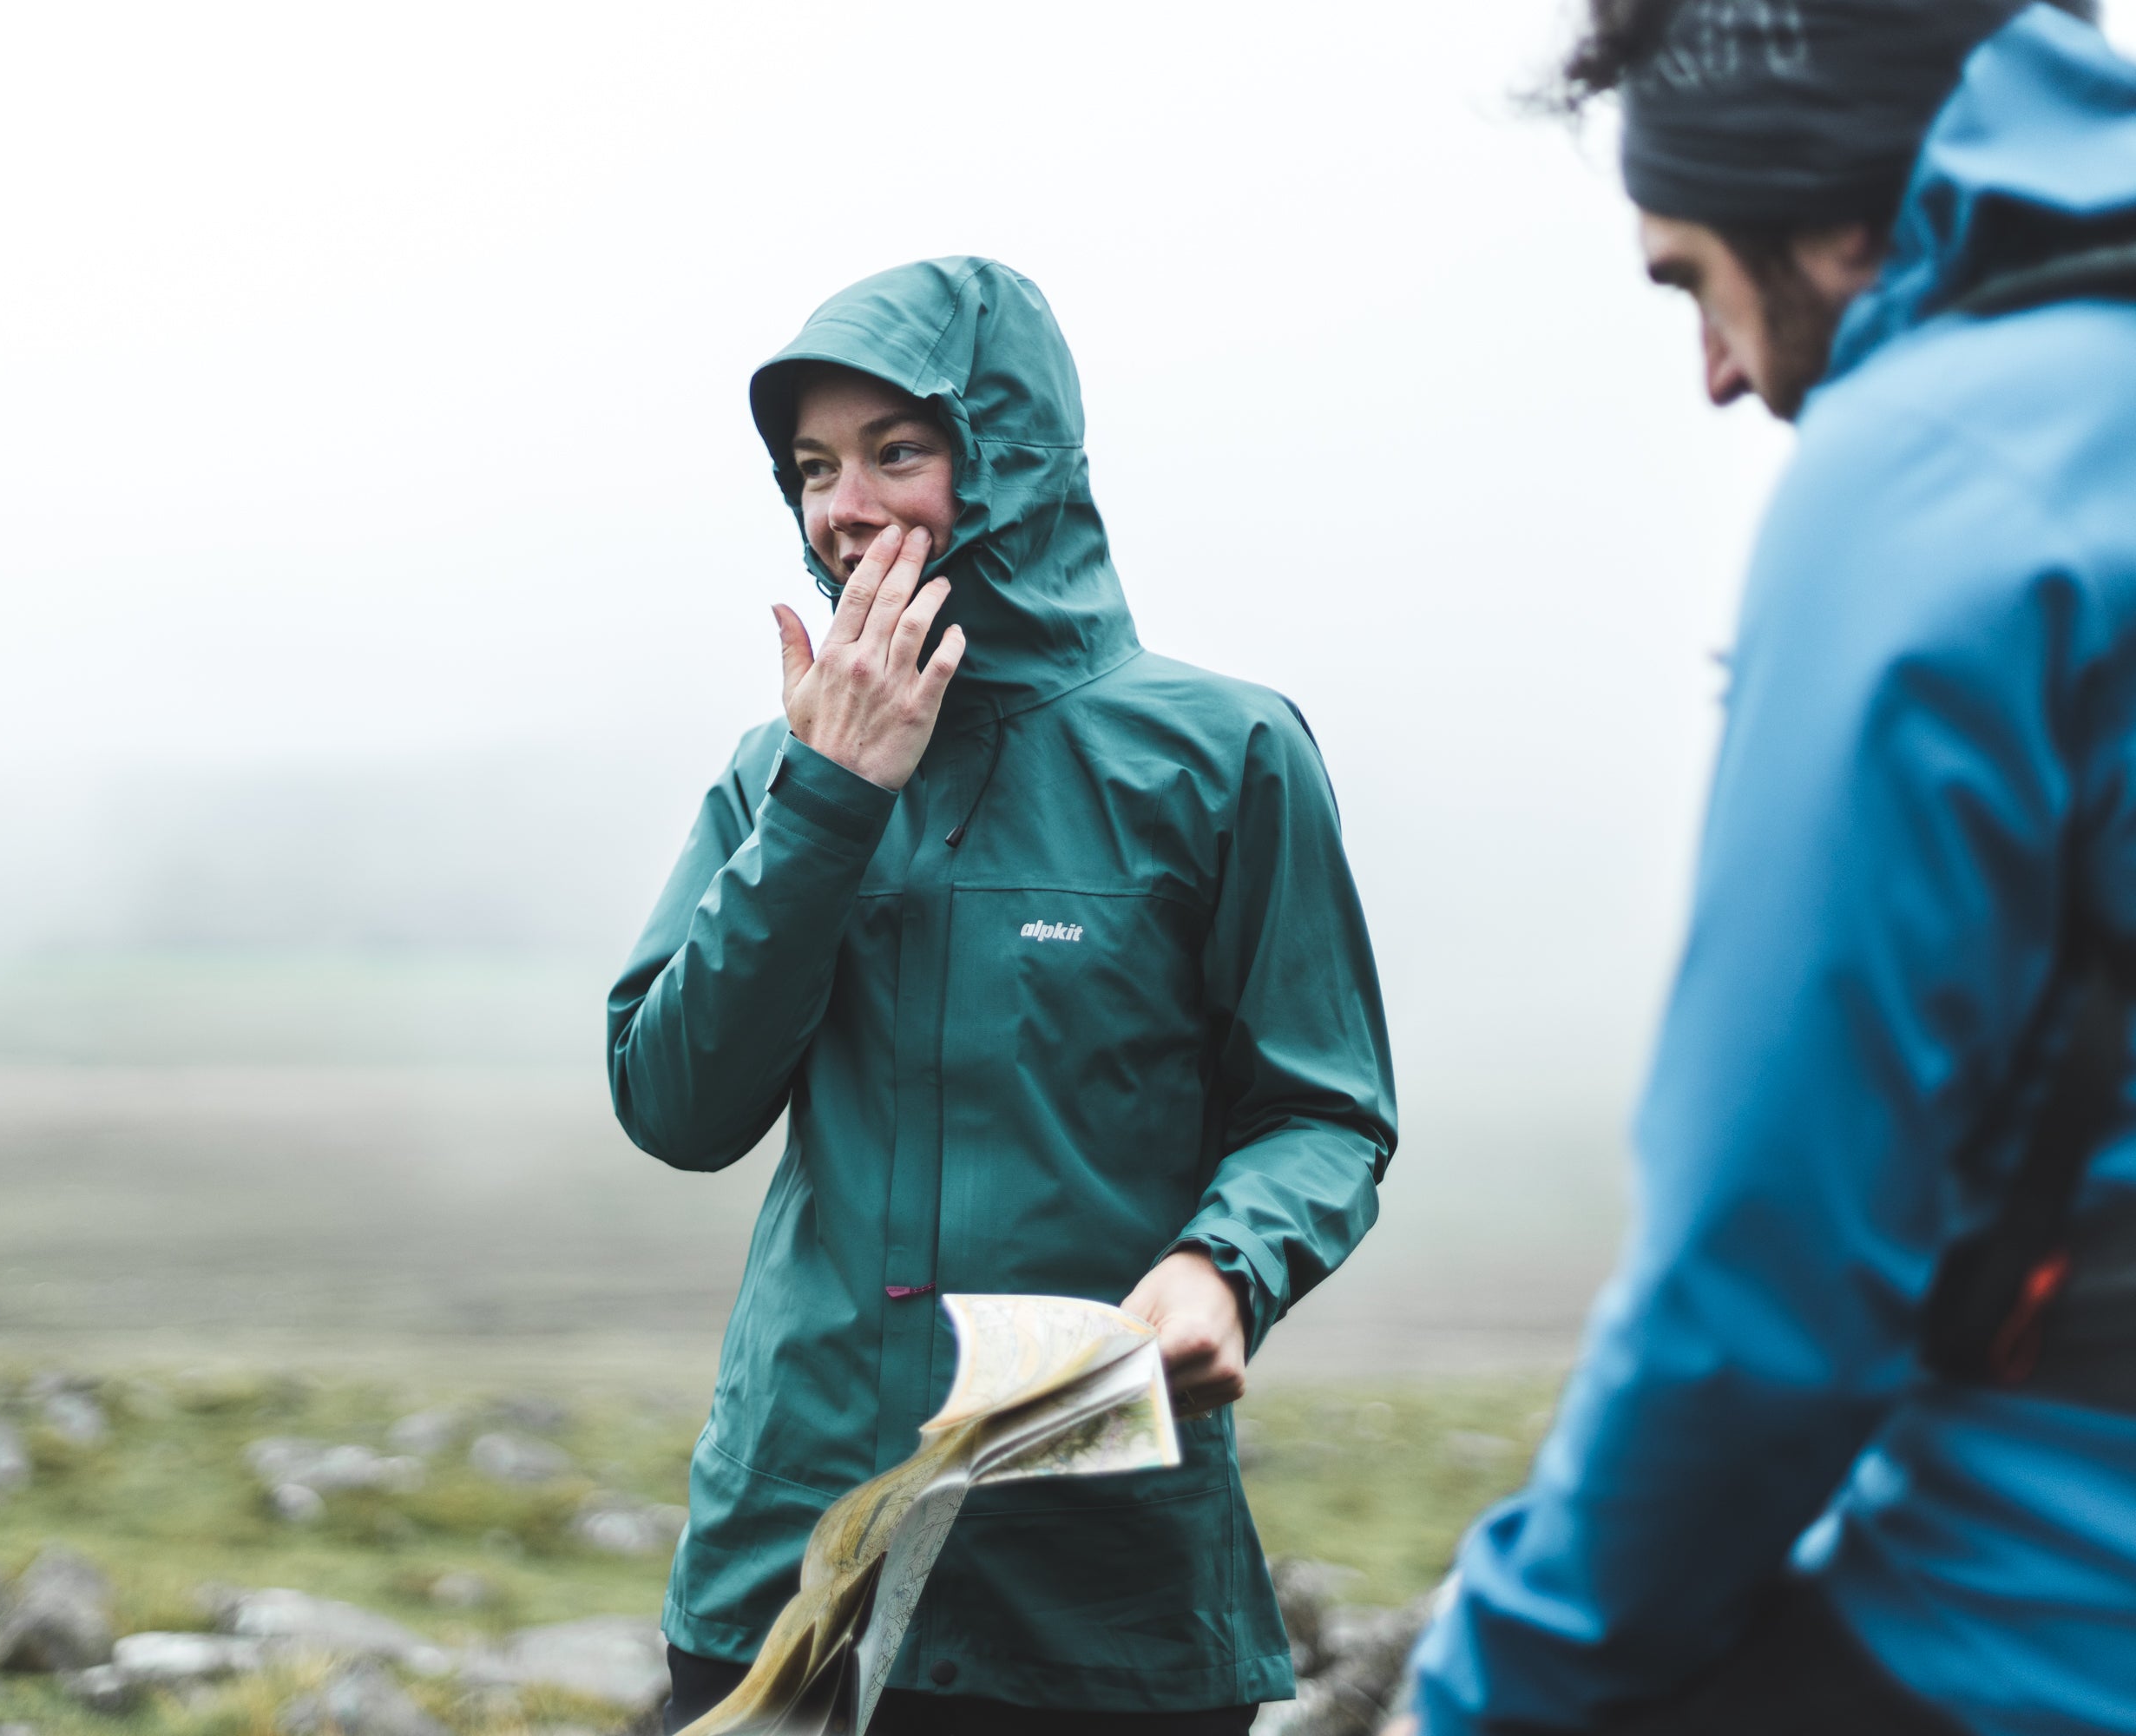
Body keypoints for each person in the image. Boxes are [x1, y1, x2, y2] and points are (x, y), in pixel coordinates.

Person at [1403, 3, 2136, 1733]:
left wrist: (1484, 1690)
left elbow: (1765, 1288)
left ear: (1836, 214)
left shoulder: (1935, 475)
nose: (1720, 373)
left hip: (2039, 1614)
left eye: (1694, 283)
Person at [608, 257, 1397, 1733]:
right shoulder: (776, 776)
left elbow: (1322, 1110)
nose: (844, 508)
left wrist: (1228, 1264)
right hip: (788, 1572)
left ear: (1014, 456)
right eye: (813, 470)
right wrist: (831, 802)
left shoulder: (1220, 755)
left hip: (1102, 1601)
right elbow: (676, 1106)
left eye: (898, 450)